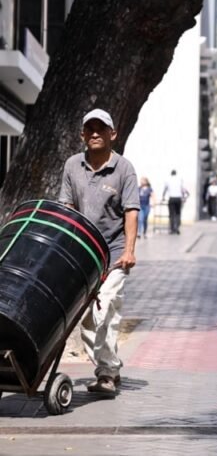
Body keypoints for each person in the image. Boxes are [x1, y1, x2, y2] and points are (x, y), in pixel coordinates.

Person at [59, 108, 140, 396]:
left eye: (101, 128)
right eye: (89, 129)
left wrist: (129, 251)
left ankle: (106, 373)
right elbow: (67, 207)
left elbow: (131, 211)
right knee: (87, 318)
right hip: (84, 253)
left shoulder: (124, 168)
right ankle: (109, 368)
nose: (95, 133)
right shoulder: (72, 165)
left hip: (115, 253)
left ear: (112, 134)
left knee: (105, 306)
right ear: (83, 134)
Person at [162, 169, 188, 235]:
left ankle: (172, 228)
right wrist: (184, 197)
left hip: (172, 198)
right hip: (178, 198)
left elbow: (165, 189)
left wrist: (163, 197)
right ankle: (177, 227)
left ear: (171, 174)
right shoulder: (179, 180)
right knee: (178, 213)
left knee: (171, 214)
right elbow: (183, 189)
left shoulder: (168, 180)